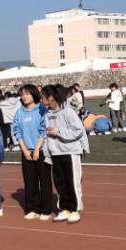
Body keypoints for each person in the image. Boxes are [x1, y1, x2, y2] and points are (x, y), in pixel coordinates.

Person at [42, 85, 88, 223]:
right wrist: (48, 151)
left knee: (72, 181)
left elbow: (78, 130)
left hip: (70, 151)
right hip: (56, 152)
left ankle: (75, 210)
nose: (41, 99)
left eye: (43, 96)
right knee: (60, 182)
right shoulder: (47, 114)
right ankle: (65, 209)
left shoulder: (68, 111)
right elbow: (47, 135)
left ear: (51, 97)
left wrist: (58, 132)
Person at [12, 84, 51, 220]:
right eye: (22, 94)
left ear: (34, 94)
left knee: (45, 181)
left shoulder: (42, 109)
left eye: (27, 93)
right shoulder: (19, 112)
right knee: (30, 181)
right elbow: (17, 131)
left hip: (41, 150)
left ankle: (46, 209)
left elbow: (44, 129)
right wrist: (24, 150)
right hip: (26, 151)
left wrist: (37, 148)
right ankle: (32, 208)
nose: (24, 96)